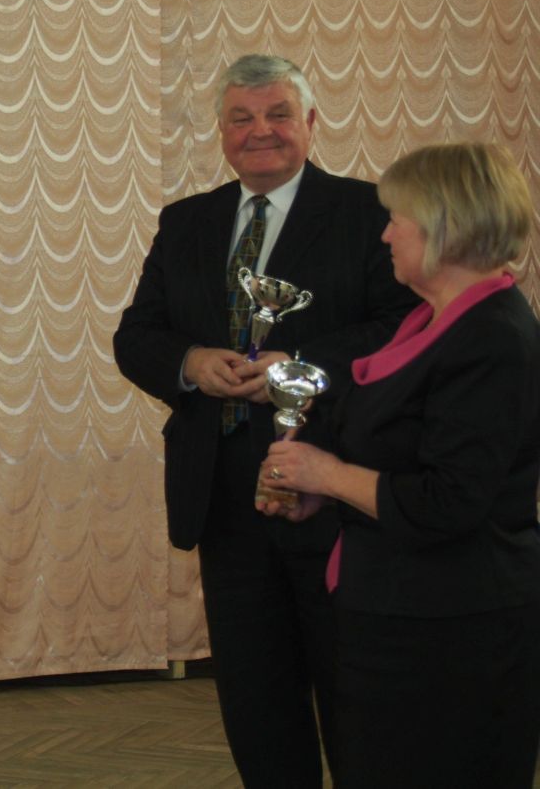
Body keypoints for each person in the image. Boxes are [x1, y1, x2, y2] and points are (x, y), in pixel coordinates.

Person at [113, 54, 416, 787]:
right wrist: (192, 363)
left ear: (309, 122)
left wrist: (297, 364)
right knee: (256, 703)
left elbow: (403, 327)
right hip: (223, 498)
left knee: (356, 699)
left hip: (336, 497)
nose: (261, 132)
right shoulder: (186, 221)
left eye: (279, 114)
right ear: (221, 132)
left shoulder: (369, 212)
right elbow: (137, 336)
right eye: (242, 118)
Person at [259, 143, 540, 788]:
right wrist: (324, 492)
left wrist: (325, 474)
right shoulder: (430, 320)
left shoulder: (492, 338)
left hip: (453, 630)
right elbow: (402, 458)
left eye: (396, 219)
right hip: (403, 614)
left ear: (445, 227)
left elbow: (447, 502)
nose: (385, 234)